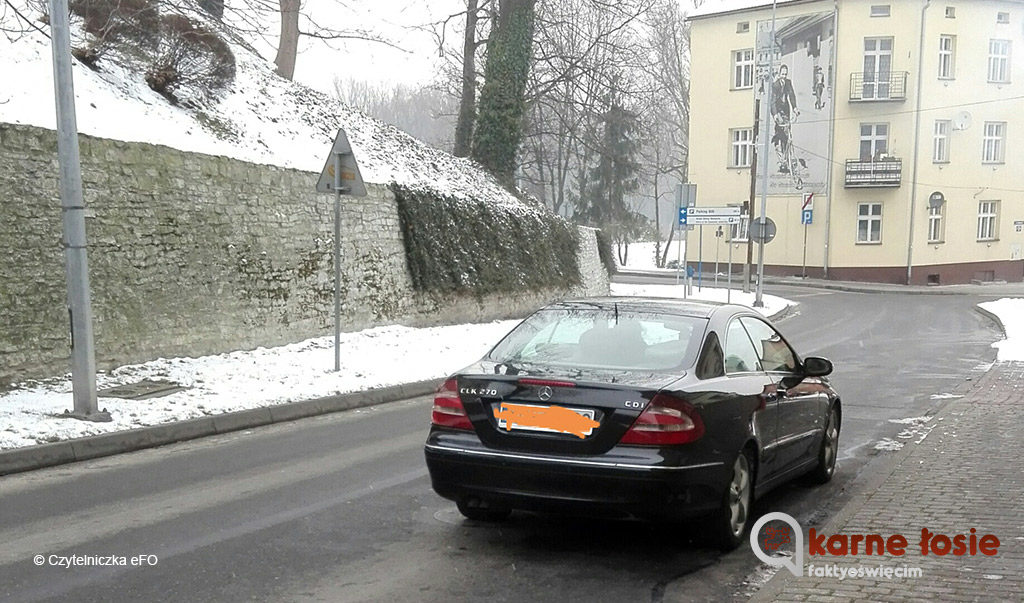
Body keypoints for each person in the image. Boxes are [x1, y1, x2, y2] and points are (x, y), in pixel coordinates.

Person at [770, 64, 799, 173]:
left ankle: (786, 160)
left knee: (787, 137)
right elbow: (772, 101)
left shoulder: (788, 83)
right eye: (782, 74)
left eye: (785, 74)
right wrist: (775, 114)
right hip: (778, 112)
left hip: (786, 111)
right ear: (779, 74)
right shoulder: (775, 85)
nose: (784, 76)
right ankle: (781, 160)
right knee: (779, 137)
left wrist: (795, 108)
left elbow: (791, 95)